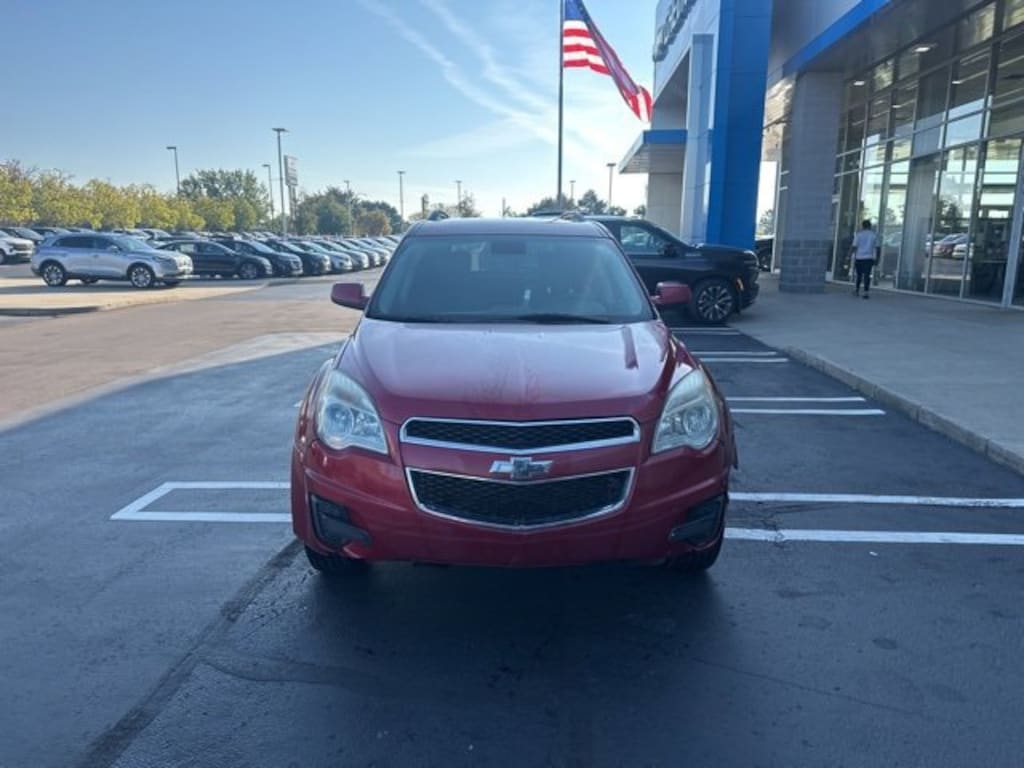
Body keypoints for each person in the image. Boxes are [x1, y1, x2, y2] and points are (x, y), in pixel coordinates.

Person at [851, 219, 879, 299]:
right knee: (867, 275)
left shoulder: (859, 235)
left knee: (859, 275)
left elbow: (854, 246)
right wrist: (877, 259)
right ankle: (866, 292)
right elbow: (878, 248)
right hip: (869, 258)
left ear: (862, 226)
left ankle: (856, 290)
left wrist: (849, 255)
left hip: (859, 257)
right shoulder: (874, 235)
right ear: (870, 226)